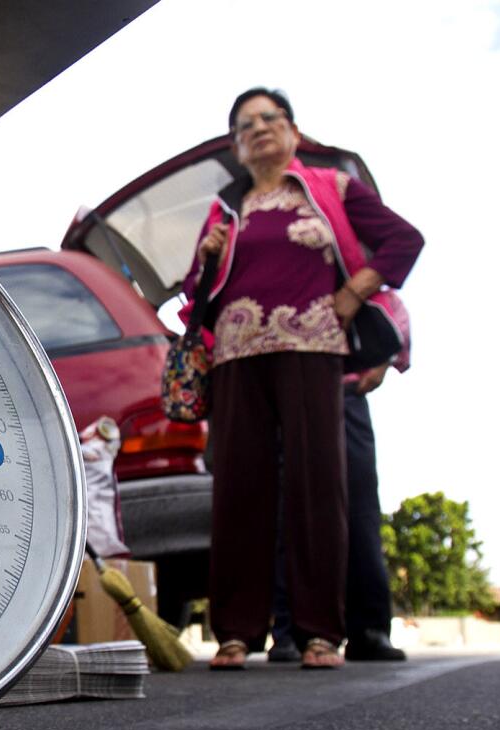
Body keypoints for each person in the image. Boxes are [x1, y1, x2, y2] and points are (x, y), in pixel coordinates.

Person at [188, 88, 423, 670]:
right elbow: (197, 295)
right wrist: (210, 255)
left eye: (270, 118)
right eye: (246, 125)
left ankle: (321, 633)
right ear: (238, 148)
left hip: (314, 346)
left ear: (293, 132)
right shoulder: (225, 210)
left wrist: (352, 293)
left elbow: (403, 240)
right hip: (237, 356)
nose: (260, 128)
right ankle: (237, 634)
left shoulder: (333, 187)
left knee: (320, 486)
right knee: (239, 488)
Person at [269, 290, 413, 663]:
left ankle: (369, 628)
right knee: (290, 510)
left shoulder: (362, 282)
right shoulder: (293, 271)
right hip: (289, 396)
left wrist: (383, 359)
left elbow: (392, 314)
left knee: (360, 510)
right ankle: (287, 631)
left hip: (344, 391)